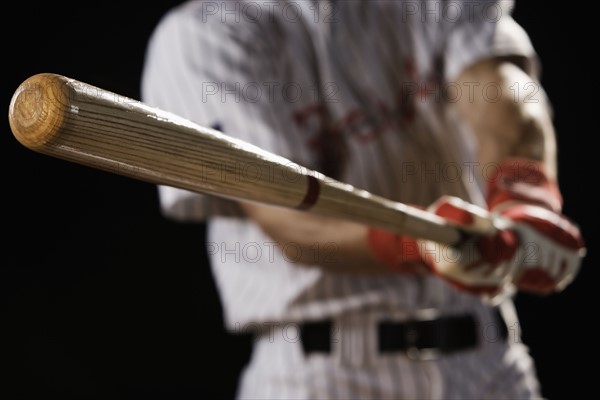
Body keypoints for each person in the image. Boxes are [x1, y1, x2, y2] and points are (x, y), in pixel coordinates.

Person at [140, 1, 585, 398]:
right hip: (324, 374)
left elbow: (502, 94)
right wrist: (418, 245)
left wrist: (523, 197)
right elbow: (287, 220)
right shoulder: (208, 30)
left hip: (488, 362)